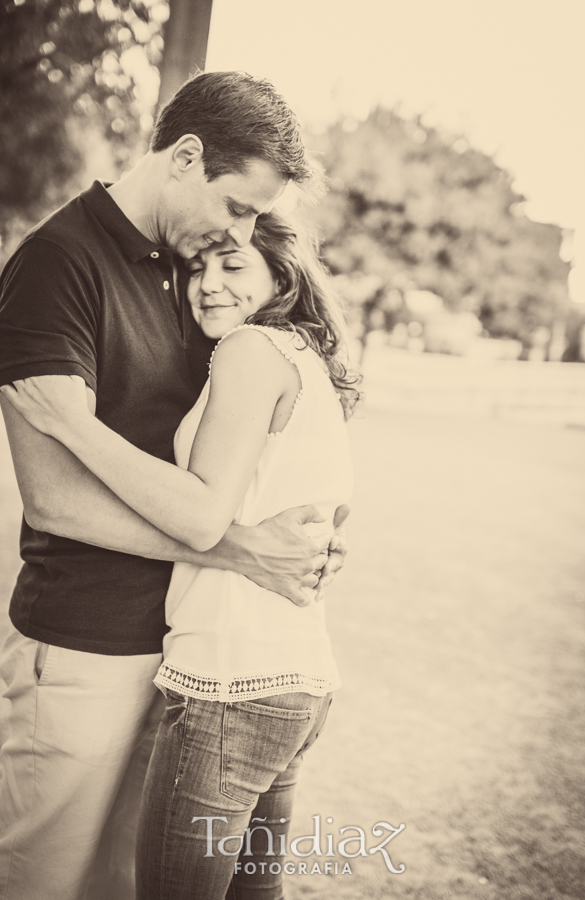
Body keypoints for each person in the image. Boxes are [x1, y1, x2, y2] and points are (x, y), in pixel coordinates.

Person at [0, 72, 348, 900]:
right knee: (42, 878)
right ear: (185, 157)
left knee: (125, 884)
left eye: (256, 223)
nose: (243, 233)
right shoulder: (57, 264)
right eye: (236, 208)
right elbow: (53, 497)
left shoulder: (196, 282)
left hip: (184, 655)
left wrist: (301, 537)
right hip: (82, 642)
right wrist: (243, 552)